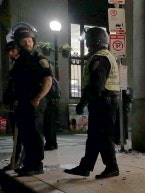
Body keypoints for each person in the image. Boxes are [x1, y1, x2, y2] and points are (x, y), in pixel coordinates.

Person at [64, 27, 120, 179]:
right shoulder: (105, 56)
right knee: (95, 136)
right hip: (106, 101)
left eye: (88, 43)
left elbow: (96, 85)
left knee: (103, 136)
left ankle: (111, 167)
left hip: (103, 101)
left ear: (94, 42)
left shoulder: (100, 58)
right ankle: (86, 166)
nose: (87, 46)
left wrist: (83, 102)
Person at [10, 23, 52, 177]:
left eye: (30, 40)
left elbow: (48, 80)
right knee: (26, 134)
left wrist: (38, 98)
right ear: (19, 42)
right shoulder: (19, 60)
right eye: (24, 41)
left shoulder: (39, 59)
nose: (27, 43)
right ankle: (28, 164)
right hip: (22, 102)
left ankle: (37, 165)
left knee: (35, 134)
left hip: (35, 102)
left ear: (34, 41)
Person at [1, 36, 23, 171]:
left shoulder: (22, 63)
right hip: (14, 104)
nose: (10, 53)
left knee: (21, 135)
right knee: (17, 136)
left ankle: (18, 161)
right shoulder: (15, 64)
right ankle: (16, 160)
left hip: (21, 104)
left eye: (12, 50)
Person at [43, 77, 60, 150]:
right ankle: (53, 143)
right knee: (52, 125)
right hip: (54, 105)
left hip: (49, 105)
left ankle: (50, 144)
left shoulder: (49, 80)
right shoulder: (54, 80)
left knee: (48, 125)